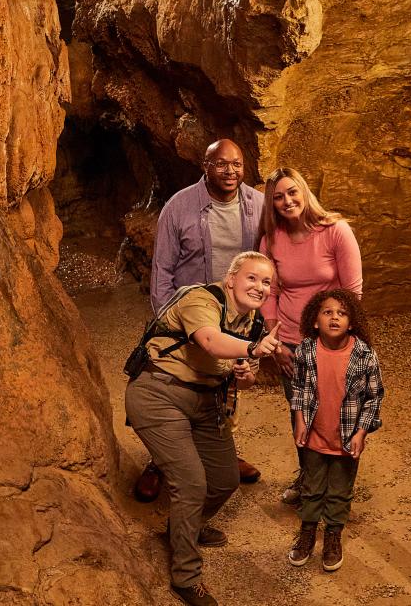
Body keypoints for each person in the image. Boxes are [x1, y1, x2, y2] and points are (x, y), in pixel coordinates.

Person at [126, 252, 280, 606]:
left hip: (206, 402)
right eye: (252, 278)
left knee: (225, 480)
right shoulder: (201, 298)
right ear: (231, 279)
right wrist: (254, 348)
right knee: (191, 482)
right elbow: (210, 341)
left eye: (267, 282)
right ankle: (184, 577)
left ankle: (183, 527)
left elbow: (247, 380)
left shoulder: (251, 322)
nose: (260, 286)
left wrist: (246, 372)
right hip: (158, 394)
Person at [138, 139, 266, 502]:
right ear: (205, 166)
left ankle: (220, 452)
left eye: (237, 164)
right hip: (191, 316)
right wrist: (166, 321)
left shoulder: (257, 206)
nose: (230, 171)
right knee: (180, 385)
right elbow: (162, 269)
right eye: (221, 164)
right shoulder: (179, 207)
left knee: (225, 388)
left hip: (234, 316)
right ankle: (160, 461)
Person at [256, 167, 362, 506]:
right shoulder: (272, 241)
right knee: (301, 409)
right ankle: (308, 479)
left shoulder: (335, 231)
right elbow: (268, 291)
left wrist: (338, 342)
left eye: (291, 192)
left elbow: (352, 292)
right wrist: (275, 342)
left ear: (303, 192)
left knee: (336, 410)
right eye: (278, 197)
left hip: (330, 340)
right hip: (290, 342)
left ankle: (337, 487)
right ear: (271, 205)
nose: (287, 201)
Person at [284, 289, 383, 573]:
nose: (335, 318)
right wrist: (301, 419)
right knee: (311, 487)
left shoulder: (364, 355)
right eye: (327, 312)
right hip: (314, 436)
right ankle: (307, 533)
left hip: (347, 439)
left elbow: (374, 397)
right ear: (315, 321)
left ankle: (332, 535)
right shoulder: (305, 351)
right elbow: (300, 388)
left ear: (351, 322)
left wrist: (361, 432)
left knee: (339, 490)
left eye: (342, 313)